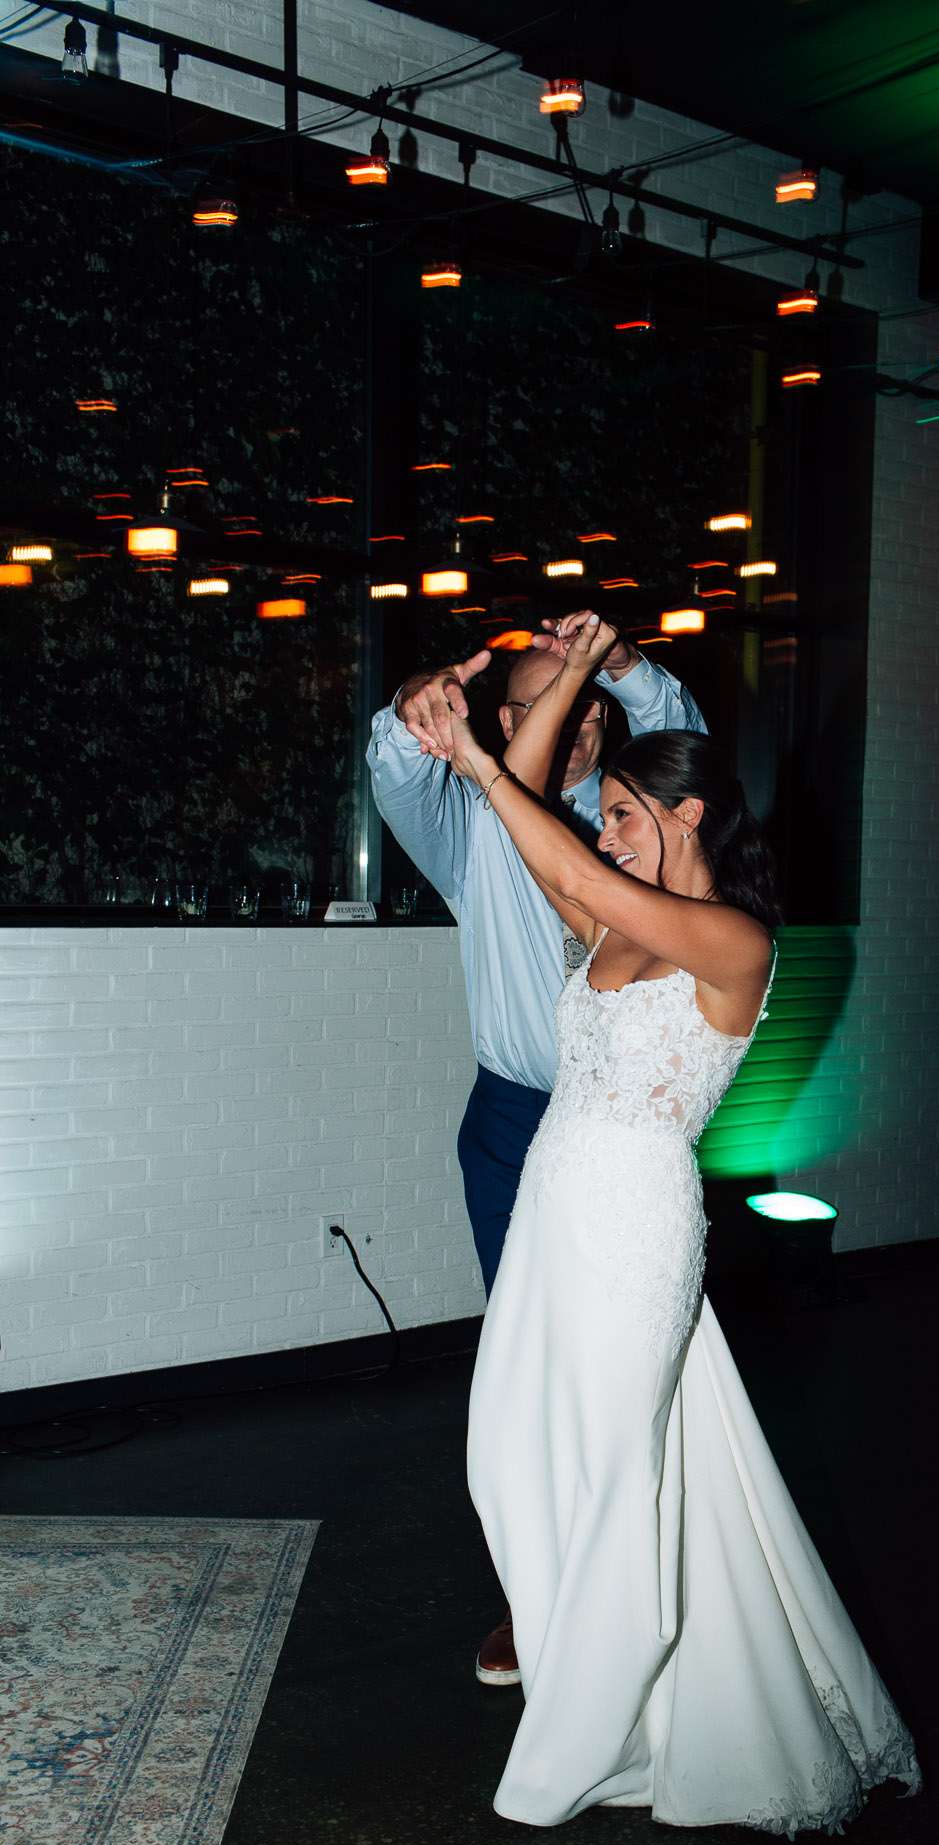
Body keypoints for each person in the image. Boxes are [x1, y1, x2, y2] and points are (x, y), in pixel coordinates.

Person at [443, 611, 921, 1835]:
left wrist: (484, 762)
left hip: (631, 1229)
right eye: (602, 815)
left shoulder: (732, 942)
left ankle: (585, 1736)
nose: (600, 831)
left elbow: (565, 860)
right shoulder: (612, 927)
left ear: (687, 813)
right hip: (550, 1218)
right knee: (504, 1453)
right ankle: (583, 1658)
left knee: (614, 1476)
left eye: (620, 812)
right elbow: (540, 841)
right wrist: (552, 694)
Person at [366, 616, 706, 1687]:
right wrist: (410, 710)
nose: (568, 720)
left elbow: (686, 740)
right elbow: (396, 771)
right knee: (531, 1366)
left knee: (635, 1365)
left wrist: (622, 664)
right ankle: (537, 1590)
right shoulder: (472, 826)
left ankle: (654, 1583)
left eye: (584, 702)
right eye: (533, 702)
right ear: (502, 718)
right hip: (518, 1127)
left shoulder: (636, 824)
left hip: (632, 1135)